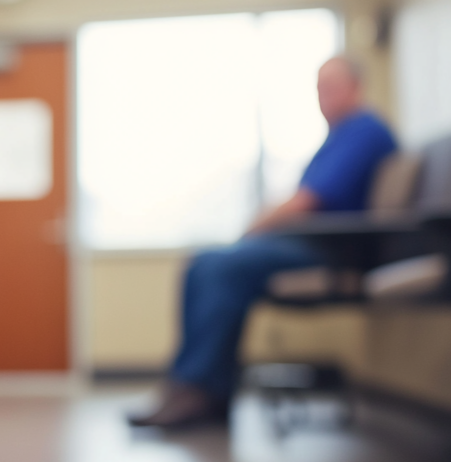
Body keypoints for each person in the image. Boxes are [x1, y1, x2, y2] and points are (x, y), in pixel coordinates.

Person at [128, 56, 397, 428]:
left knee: (224, 265)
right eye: (318, 89)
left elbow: (307, 200)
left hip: (333, 251)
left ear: (357, 87)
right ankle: (195, 389)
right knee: (203, 261)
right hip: (306, 245)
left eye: (331, 87)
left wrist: (253, 228)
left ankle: (198, 389)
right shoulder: (336, 139)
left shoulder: (364, 131)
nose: (322, 97)